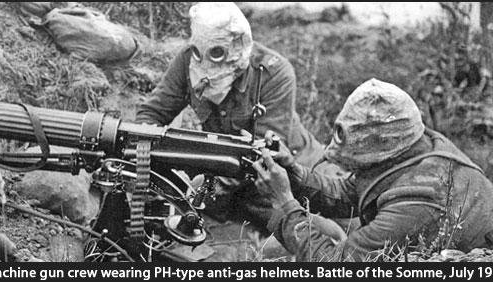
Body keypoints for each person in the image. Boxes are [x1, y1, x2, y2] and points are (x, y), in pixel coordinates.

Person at [135, 2, 347, 261]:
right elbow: (152, 114)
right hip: (227, 175)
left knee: (337, 232)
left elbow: (264, 156)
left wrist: (202, 188)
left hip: (285, 173)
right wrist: (149, 162)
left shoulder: (274, 73)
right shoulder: (187, 61)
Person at [253, 78, 493, 261]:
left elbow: (333, 266)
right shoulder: (417, 145)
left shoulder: (420, 197)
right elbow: (352, 191)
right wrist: (294, 174)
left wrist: (284, 202)